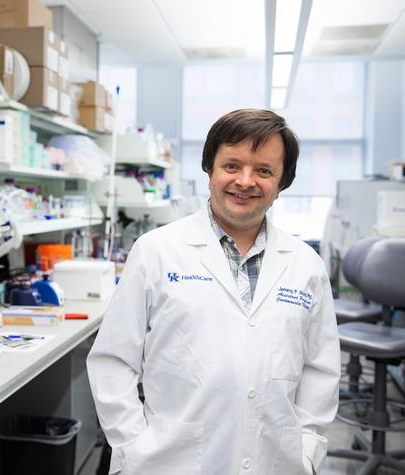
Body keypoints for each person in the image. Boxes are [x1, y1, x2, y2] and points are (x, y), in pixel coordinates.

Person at [87, 109, 341, 475]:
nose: (245, 181)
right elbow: (113, 361)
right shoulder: (156, 250)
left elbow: (321, 368)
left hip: (276, 461)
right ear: (209, 169)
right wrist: (134, 447)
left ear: (282, 182)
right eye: (232, 166)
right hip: (169, 462)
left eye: (264, 171)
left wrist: (306, 450)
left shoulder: (306, 266)